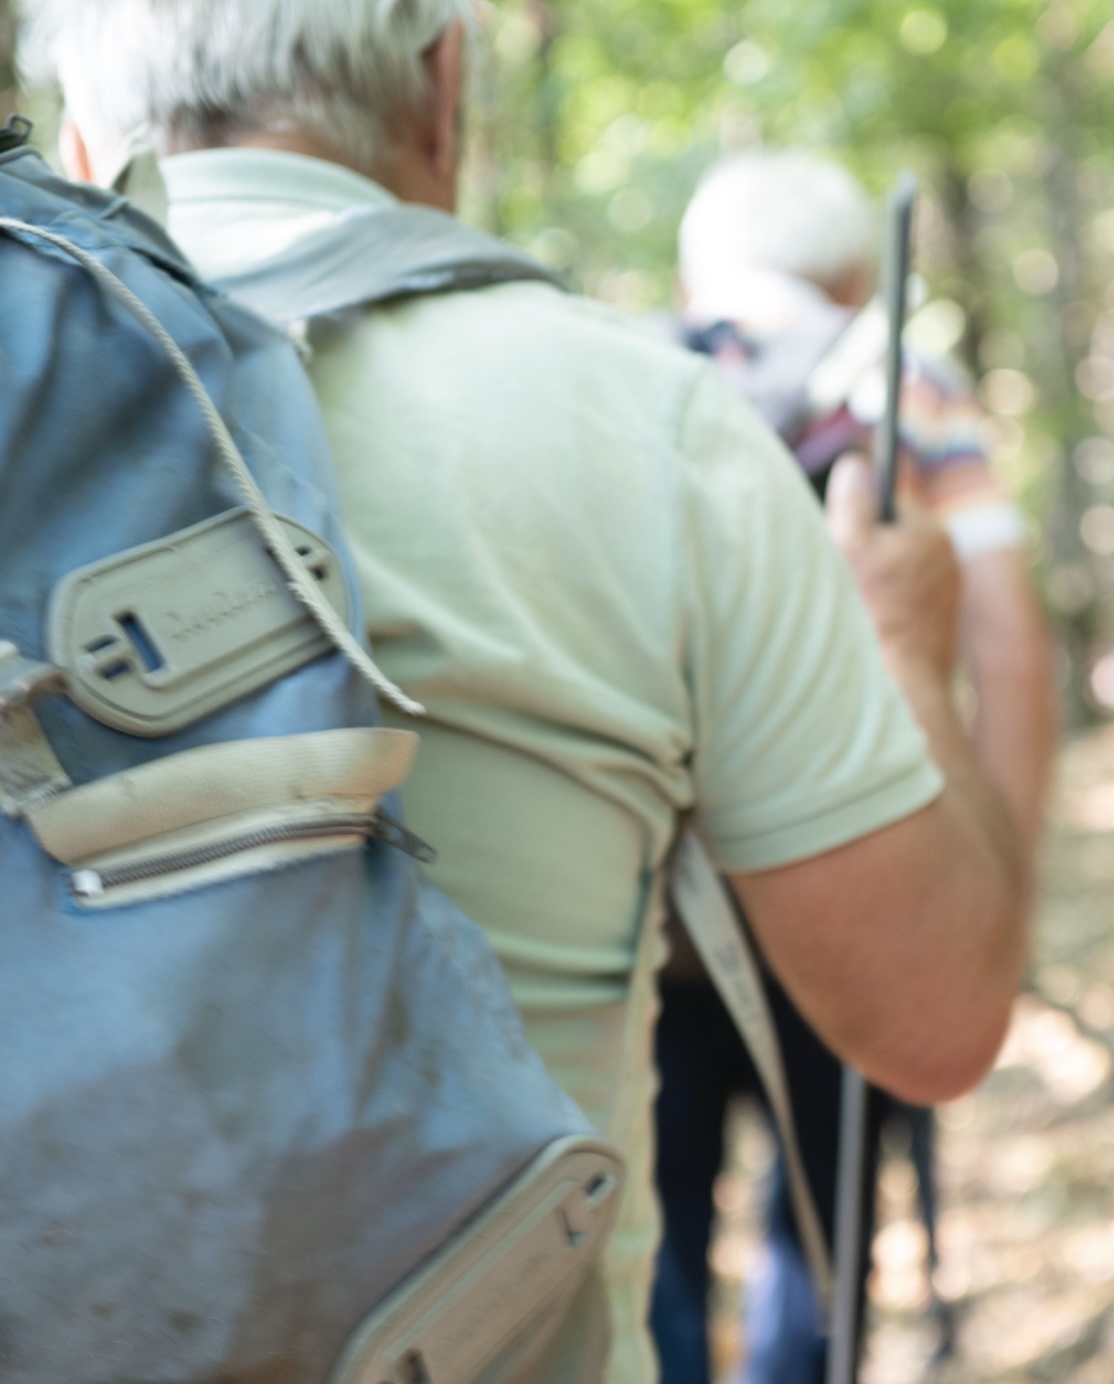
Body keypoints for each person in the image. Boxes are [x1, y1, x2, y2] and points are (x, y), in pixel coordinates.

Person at [22, 7, 1031, 1380]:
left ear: (82, 141)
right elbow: (933, 1017)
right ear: (447, 87)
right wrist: (906, 648)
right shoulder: (650, 425)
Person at [652, 150, 1056, 1384]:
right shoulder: (898, 383)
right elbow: (1007, 645)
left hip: (656, 891)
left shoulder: (636, 378)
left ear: (698, 273)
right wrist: (994, 901)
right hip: (851, 863)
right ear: (849, 276)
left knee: (657, 1233)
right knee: (819, 1225)